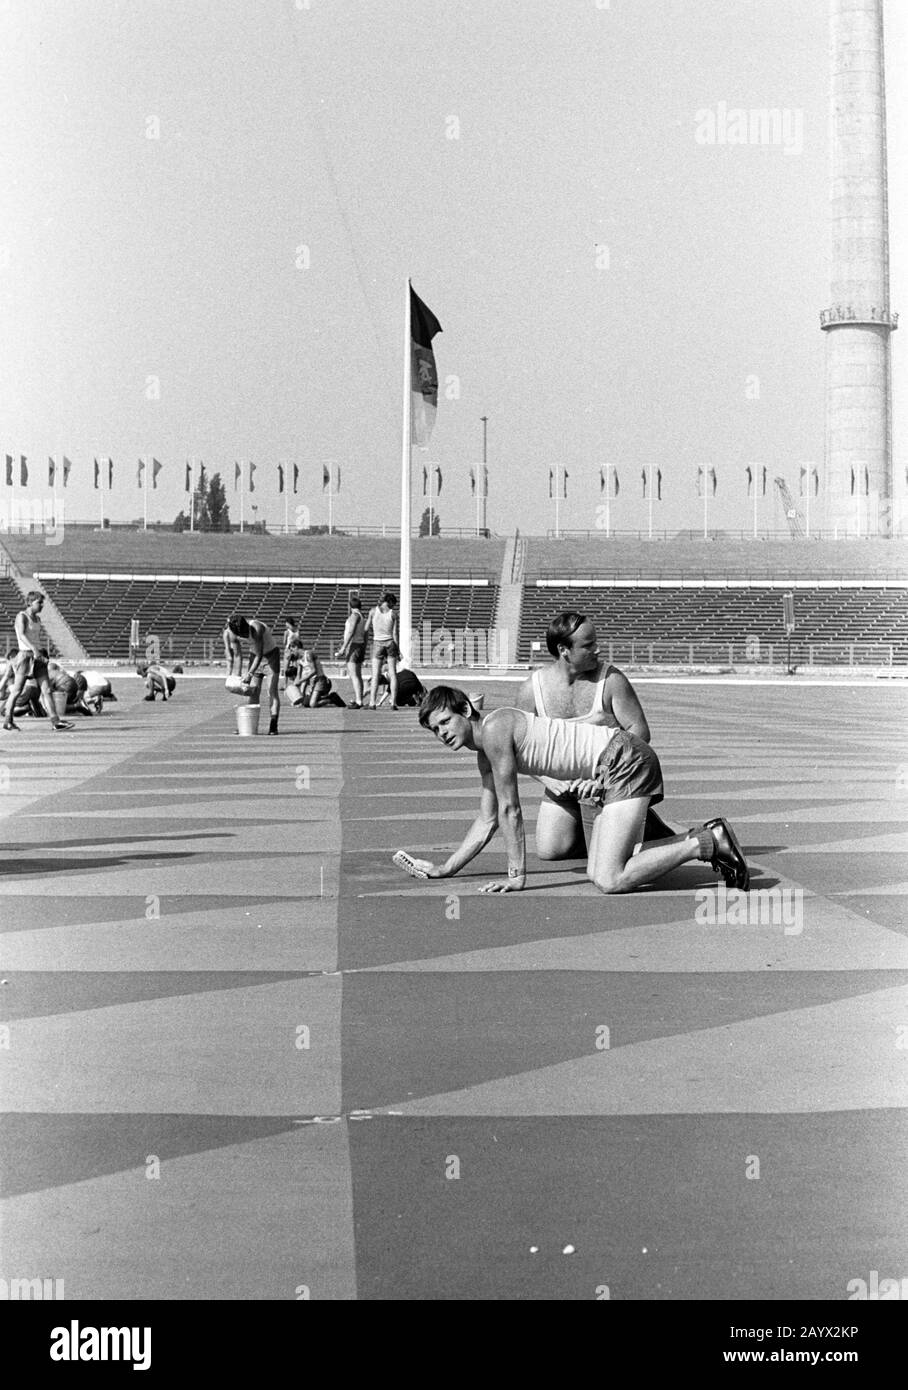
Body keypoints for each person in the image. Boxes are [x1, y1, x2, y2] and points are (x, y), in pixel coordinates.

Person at [394, 685, 749, 896]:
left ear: (466, 710)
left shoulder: (495, 730)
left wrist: (516, 877)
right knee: (597, 874)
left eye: (445, 722)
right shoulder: (486, 751)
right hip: (614, 765)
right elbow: (487, 821)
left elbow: (511, 811)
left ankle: (705, 842)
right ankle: (680, 836)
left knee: (610, 879)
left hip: (625, 758)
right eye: (434, 730)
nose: (442, 733)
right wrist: (446, 868)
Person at [515, 611, 675, 860]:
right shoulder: (531, 689)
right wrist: (549, 780)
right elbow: (520, 745)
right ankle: (612, 831)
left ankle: (642, 824)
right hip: (563, 783)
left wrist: (603, 777)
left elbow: (639, 730)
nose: (598, 650)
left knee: (618, 855)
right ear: (563, 650)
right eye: (588, 645)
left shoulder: (611, 680)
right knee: (550, 851)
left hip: (610, 779)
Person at [2, 592, 73, 732]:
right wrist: (34, 649)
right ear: (30, 602)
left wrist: (42, 652)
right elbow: (22, 635)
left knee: (47, 690)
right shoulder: (21, 616)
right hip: (25, 656)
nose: (42, 605)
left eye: (42, 603)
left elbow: (36, 637)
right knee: (16, 691)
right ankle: (7, 721)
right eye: (39, 603)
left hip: (38, 657)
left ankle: (55, 721)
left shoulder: (38, 619)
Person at [227, 615, 281, 734]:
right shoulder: (232, 634)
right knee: (253, 691)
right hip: (254, 657)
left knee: (271, 691)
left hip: (271, 656)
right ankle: (248, 725)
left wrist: (250, 673)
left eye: (245, 633)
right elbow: (237, 656)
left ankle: (273, 724)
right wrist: (236, 677)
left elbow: (259, 654)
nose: (244, 636)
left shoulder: (257, 628)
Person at [365, 592, 399, 710]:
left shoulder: (373, 611)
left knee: (375, 674)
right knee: (393, 674)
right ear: (389, 602)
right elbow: (395, 633)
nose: (393, 607)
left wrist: (375, 628)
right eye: (393, 604)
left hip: (377, 642)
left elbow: (366, 628)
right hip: (390, 642)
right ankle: (393, 703)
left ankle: (372, 702)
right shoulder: (393, 614)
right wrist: (398, 649)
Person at [335, 596, 367, 708]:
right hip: (360, 645)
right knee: (358, 674)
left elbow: (351, 631)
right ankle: (360, 699)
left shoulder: (354, 616)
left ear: (350, 606)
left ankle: (358, 701)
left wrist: (343, 647)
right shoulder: (362, 616)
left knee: (354, 675)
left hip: (353, 645)